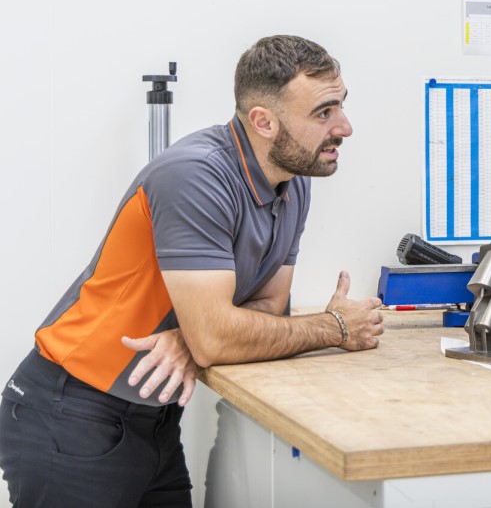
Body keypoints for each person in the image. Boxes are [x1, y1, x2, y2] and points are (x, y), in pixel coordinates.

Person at [0, 35, 385, 507]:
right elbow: (219, 338)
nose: (345, 127)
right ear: (263, 122)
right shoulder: (196, 175)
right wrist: (334, 327)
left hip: (155, 420)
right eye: (324, 112)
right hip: (72, 412)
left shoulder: (292, 182)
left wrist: (194, 337)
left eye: (341, 105)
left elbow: (269, 306)